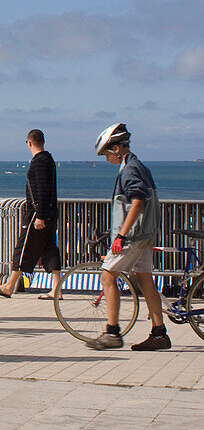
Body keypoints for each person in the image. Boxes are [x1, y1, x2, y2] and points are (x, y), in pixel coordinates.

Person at [86, 124, 170, 351]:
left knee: (107, 277)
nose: (106, 159)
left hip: (132, 236)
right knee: (144, 280)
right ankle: (159, 334)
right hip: (145, 234)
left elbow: (138, 202)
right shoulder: (138, 166)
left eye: (106, 154)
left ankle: (112, 332)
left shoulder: (130, 169)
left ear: (115, 148)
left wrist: (120, 236)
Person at [0, 129, 62, 300]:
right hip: (49, 212)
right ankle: (57, 289)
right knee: (49, 249)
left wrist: (40, 215)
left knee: (22, 248)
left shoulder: (39, 162)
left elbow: (42, 189)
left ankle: (9, 285)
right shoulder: (49, 159)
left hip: (37, 213)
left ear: (29, 143)